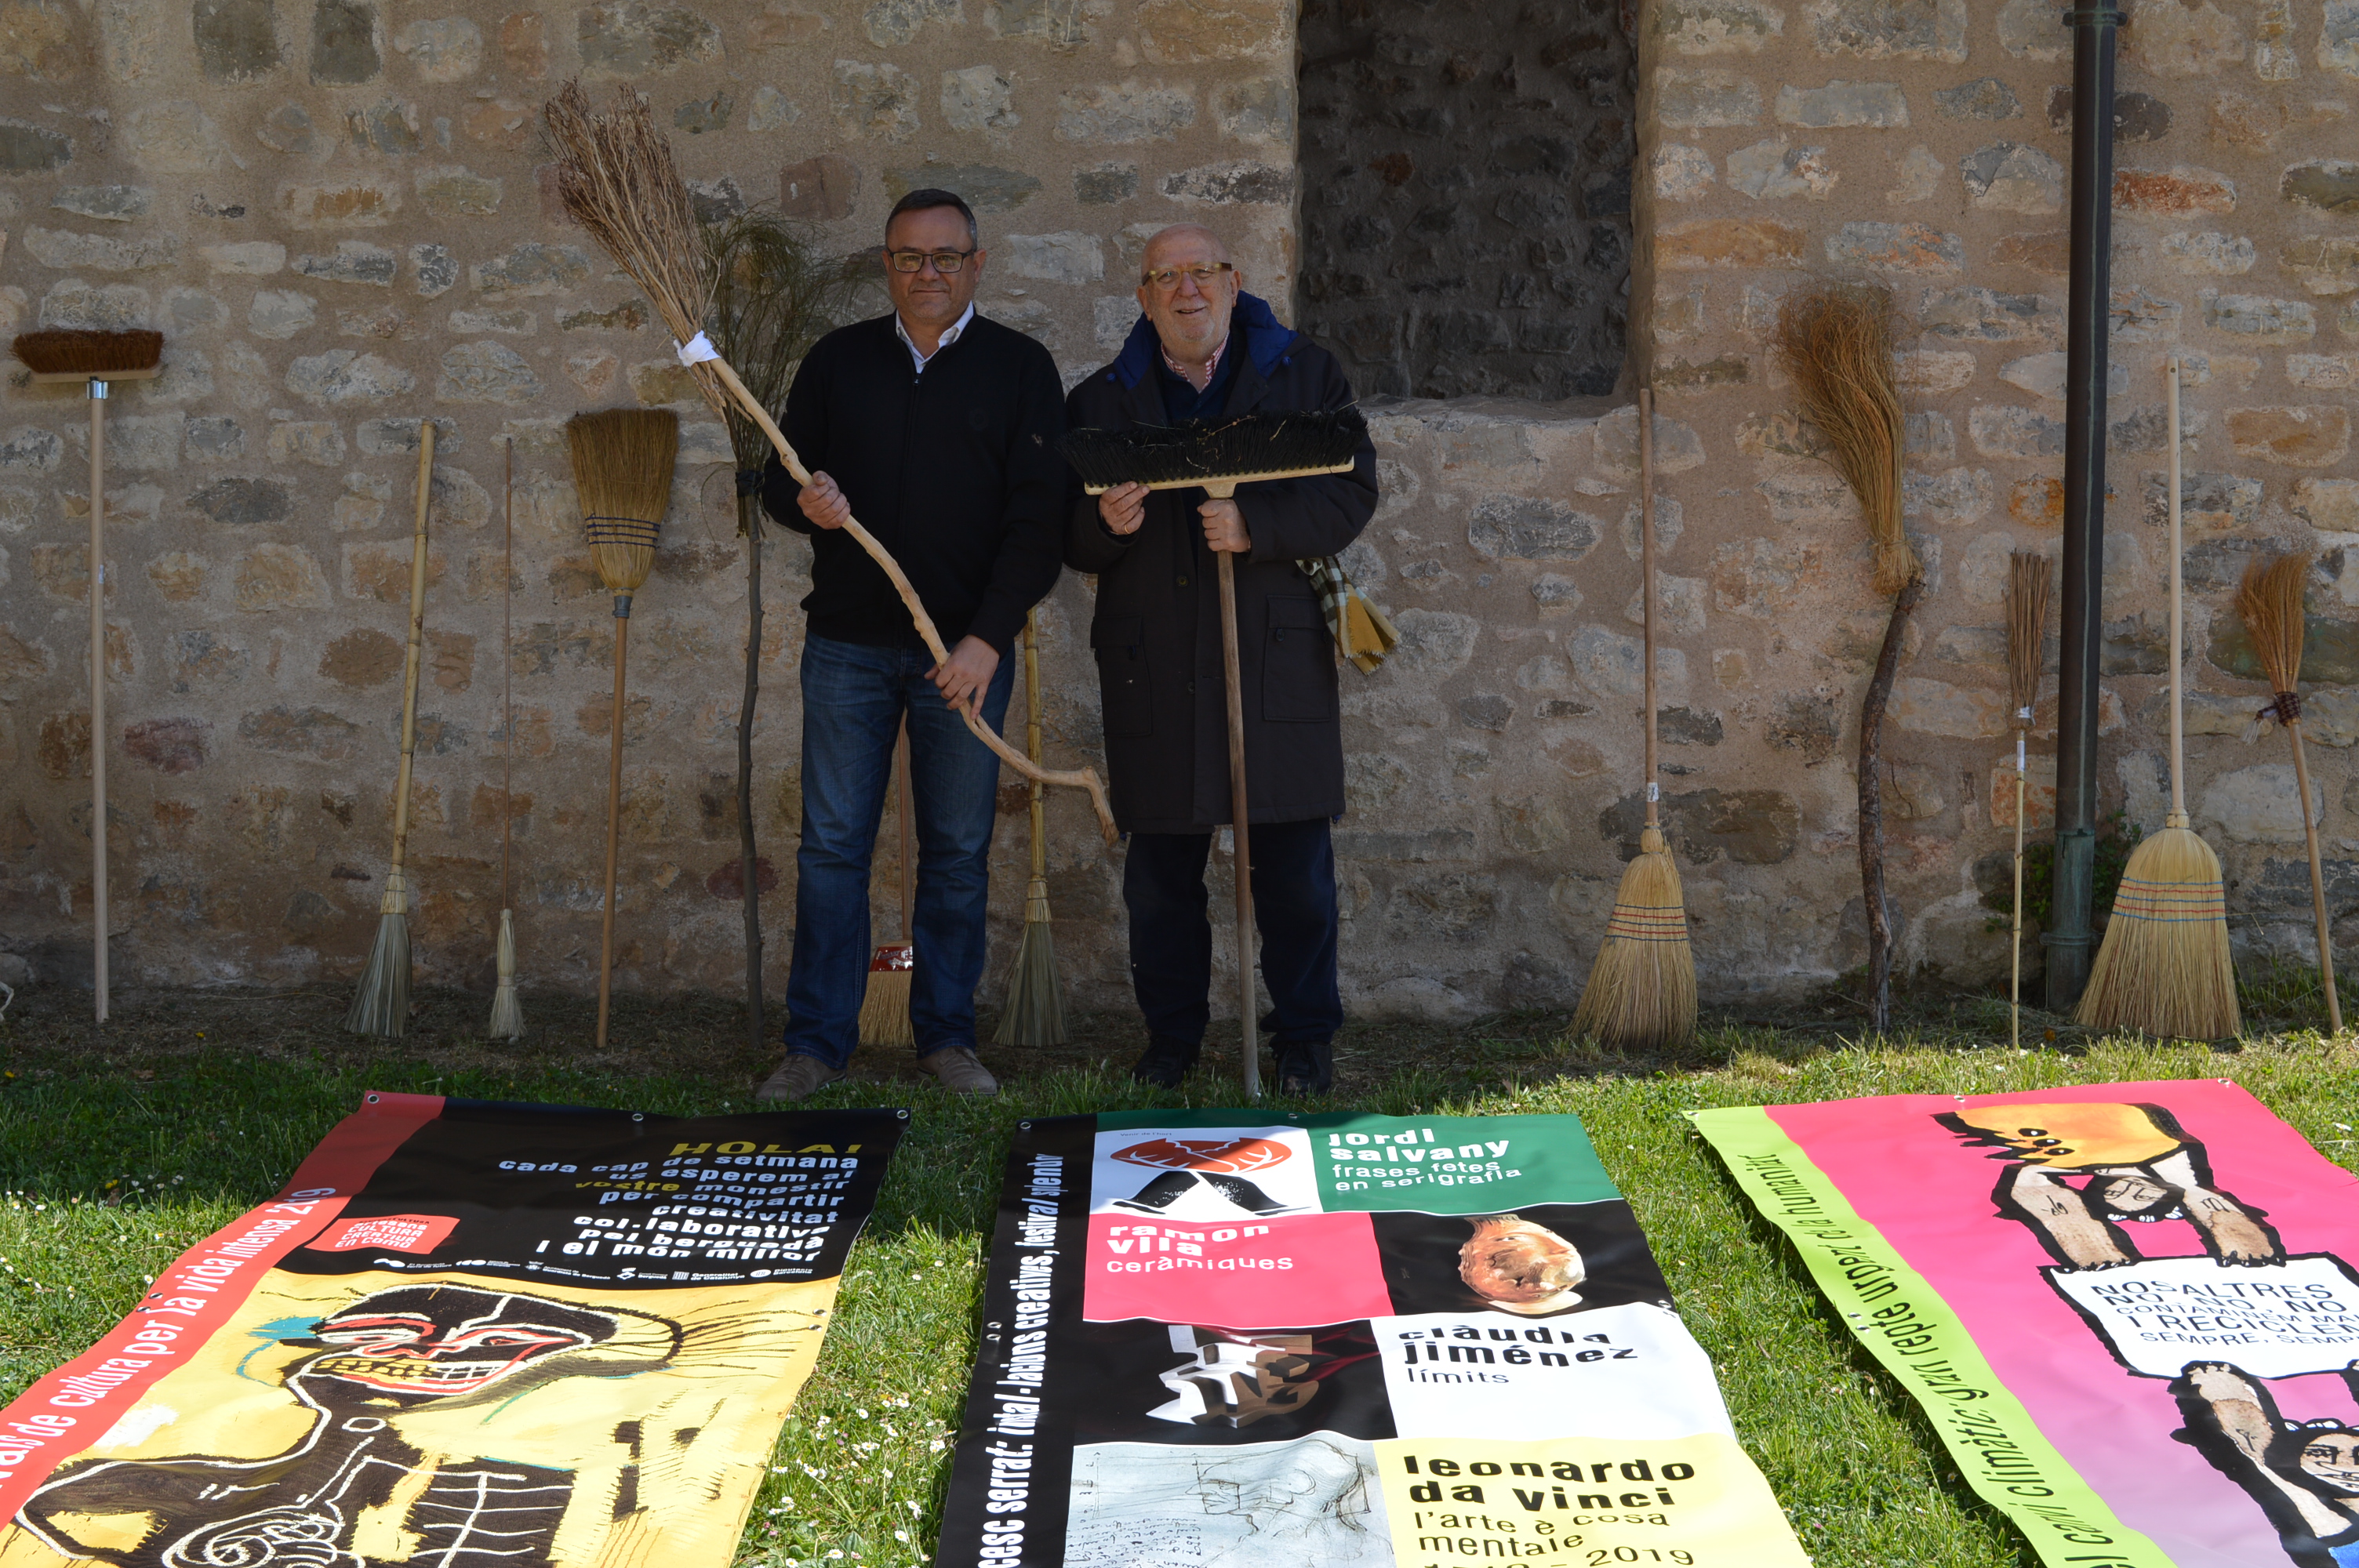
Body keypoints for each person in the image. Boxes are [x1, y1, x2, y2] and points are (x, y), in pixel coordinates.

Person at [755, 188, 1066, 1102]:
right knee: (830, 848)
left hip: (961, 656)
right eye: (907, 257)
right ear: (885, 265)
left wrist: (986, 639)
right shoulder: (838, 360)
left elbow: (1038, 523)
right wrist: (804, 502)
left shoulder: (1019, 367)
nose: (926, 273)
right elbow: (775, 481)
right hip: (846, 645)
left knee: (957, 851)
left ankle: (945, 1037)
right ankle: (816, 1043)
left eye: (944, 256)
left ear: (976, 263)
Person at [1064, 224, 1376, 1095]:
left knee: (1295, 875)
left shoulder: (1303, 376)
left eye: (1201, 272)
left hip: (1271, 655)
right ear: (1143, 298)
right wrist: (1105, 525)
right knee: (1160, 880)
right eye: (1165, 277)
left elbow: (1353, 490)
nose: (1186, 291)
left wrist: (1256, 525)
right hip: (1155, 665)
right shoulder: (1102, 402)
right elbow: (1067, 533)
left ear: (1233, 283)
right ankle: (1172, 1039)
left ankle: (1304, 1037)